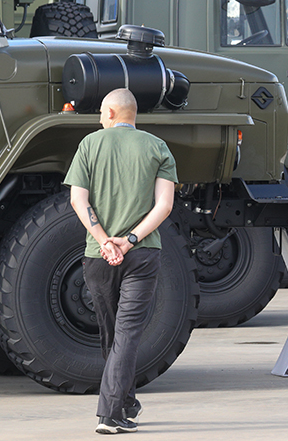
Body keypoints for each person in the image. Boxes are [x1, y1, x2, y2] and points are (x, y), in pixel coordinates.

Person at [63, 88, 178, 435]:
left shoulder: (89, 145)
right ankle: (113, 412)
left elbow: (77, 199)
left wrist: (104, 241)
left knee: (112, 334)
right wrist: (128, 241)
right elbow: (164, 206)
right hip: (141, 255)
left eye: (101, 112)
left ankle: (121, 404)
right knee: (125, 335)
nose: (99, 118)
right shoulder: (157, 147)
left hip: (97, 257)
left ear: (112, 113)